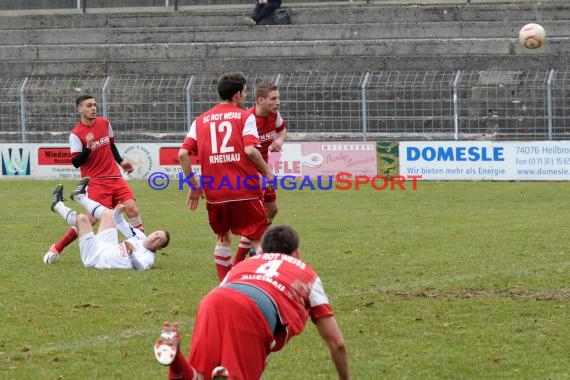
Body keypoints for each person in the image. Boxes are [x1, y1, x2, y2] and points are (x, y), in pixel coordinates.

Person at [153, 224, 350, 380]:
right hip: (253, 309)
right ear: (296, 254)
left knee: (201, 374)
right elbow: (337, 343)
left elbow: (221, 290)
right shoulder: (305, 272)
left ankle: (178, 366)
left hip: (212, 301)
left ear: (262, 251)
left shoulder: (246, 264)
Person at [178, 72, 274, 281]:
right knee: (259, 239)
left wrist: (194, 186)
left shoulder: (200, 120)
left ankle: (225, 286)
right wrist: (267, 172)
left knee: (223, 239)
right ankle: (264, 286)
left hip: (215, 191)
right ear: (238, 94)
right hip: (243, 188)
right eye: (245, 92)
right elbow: (250, 151)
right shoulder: (244, 116)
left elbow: (182, 154)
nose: (245, 96)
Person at [43, 95, 143, 265]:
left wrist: (121, 162)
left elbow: (111, 145)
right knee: (91, 220)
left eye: (95, 105)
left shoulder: (105, 123)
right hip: (96, 180)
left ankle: (142, 248)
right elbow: (76, 162)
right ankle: (57, 247)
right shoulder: (76, 134)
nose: (93, 108)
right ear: (79, 109)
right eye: (89, 105)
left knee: (132, 209)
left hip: (115, 177)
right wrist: (88, 148)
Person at [49, 178, 169, 271]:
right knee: (109, 214)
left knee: (83, 219)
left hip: (95, 258)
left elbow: (141, 268)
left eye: (159, 240)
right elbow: (121, 224)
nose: (156, 237)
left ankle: (57, 205)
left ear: (159, 248)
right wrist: (117, 212)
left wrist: (131, 254)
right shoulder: (139, 235)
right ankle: (79, 197)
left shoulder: (149, 258)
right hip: (107, 246)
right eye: (157, 234)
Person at [234, 81, 287, 265]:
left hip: (264, 170)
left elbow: (282, 131)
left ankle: (252, 248)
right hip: (248, 172)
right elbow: (242, 151)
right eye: (274, 99)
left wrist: (280, 140)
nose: (278, 102)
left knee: (272, 210)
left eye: (278, 97)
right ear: (260, 100)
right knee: (256, 219)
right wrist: (256, 174)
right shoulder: (247, 119)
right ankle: (238, 263)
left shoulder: (274, 115)